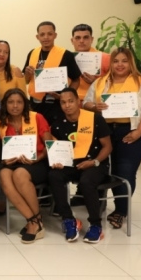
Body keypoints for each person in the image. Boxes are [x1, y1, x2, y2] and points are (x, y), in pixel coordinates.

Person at [83, 47, 141, 229]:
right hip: (104, 132)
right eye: (116, 61)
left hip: (131, 131)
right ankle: (100, 203)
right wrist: (94, 106)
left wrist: (138, 132)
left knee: (124, 172)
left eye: (124, 60)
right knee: (104, 169)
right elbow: (86, 102)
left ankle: (121, 211)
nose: (120, 65)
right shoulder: (100, 82)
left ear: (130, 62)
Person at [48, 88, 113, 243]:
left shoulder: (94, 119)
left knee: (86, 182)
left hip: (95, 163)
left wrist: (95, 161)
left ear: (78, 102)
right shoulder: (57, 123)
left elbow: (108, 147)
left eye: (70, 101)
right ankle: (69, 220)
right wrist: (56, 161)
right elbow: (56, 148)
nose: (67, 105)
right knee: (53, 175)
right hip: (72, 164)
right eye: (63, 102)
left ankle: (96, 225)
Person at [0, 88, 52, 244]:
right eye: (11, 102)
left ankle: (35, 221)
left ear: (25, 104)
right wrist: (5, 160)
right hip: (15, 163)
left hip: (38, 162)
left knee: (20, 174)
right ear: (5, 105)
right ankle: (34, 220)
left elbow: (50, 145)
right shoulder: (1, 123)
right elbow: (5, 150)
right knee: (4, 174)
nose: (15, 106)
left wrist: (36, 159)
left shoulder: (37, 117)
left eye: (19, 102)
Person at [23, 21, 82, 124]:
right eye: (42, 34)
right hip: (36, 104)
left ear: (55, 35)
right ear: (37, 37)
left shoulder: (66, 54)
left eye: (50, 34)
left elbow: (76, 79)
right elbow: (26, 81)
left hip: (57, 105)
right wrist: (27, 74)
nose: (46, 37)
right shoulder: (32, 53)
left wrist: (66, 97)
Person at [71, 24, 110, 100]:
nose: (81, 41)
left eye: (85, 37)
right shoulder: (67, 58)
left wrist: (96, 82)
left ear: (91, 39)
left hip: (97, 101)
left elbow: (117, 83)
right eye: (78, 38)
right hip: (72, 101)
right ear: (72, 40)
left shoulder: (106, 58)